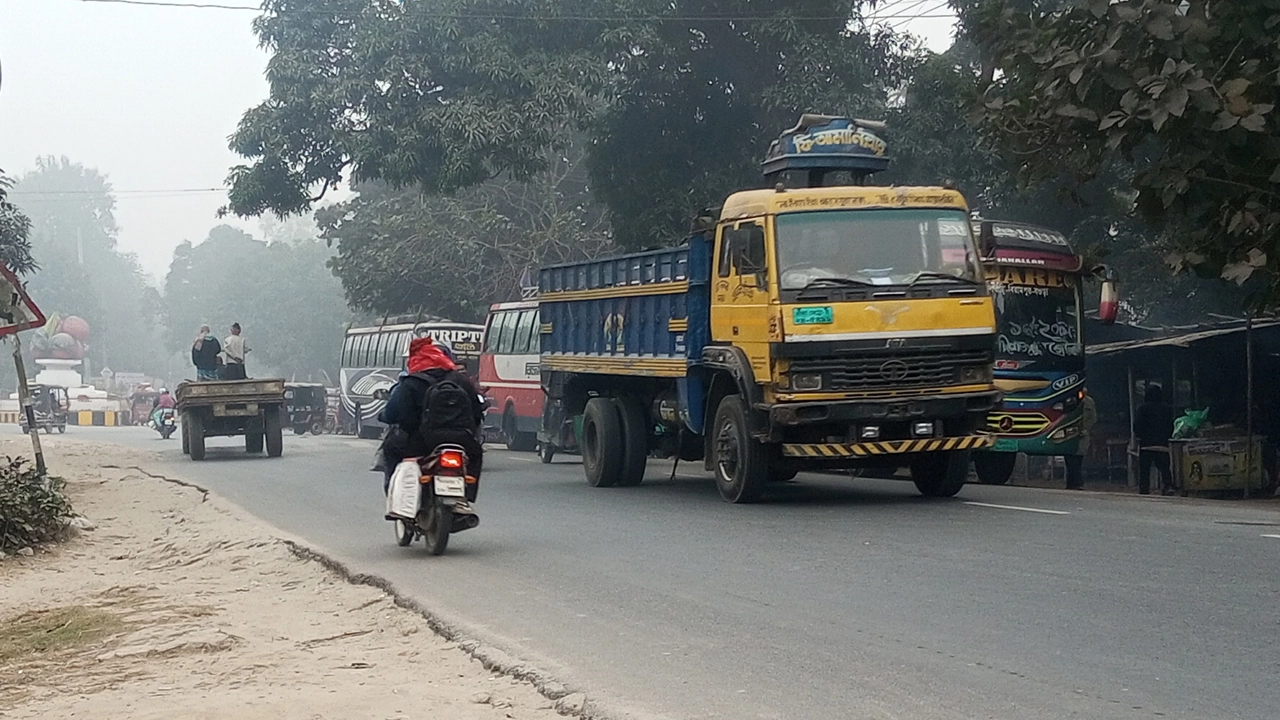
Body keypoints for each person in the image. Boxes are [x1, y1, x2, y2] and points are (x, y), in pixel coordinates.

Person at [377, 337, 485, 508]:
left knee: (391, 449)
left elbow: (402, 418)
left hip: (422, 442)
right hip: (461, 440)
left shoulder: (411, 383)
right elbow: (477, 413)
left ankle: (397, 500)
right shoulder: (460, 380)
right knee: (476, 454)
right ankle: (466, 497)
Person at [1134, 384, 1175, 495]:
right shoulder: (1167, 409)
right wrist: (1166, 436)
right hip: (1162, 444)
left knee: (1145, 470)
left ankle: (1144, 488)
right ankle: (1168, 486)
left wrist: (1140, 436)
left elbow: (1137, 426)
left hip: (1146, 444)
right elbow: (1170, 426)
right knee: (1164, 468)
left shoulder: (1143, 409)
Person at [1064, 388, 1097, 490]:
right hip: (1069, 434)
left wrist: (1086, 429)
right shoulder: (1067, 399)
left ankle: (1074, 483)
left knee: (1078, 458)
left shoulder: (1089, 402)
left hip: (1083, 434)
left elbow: (1093, 418)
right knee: (1069, 458)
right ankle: (1075, 482)